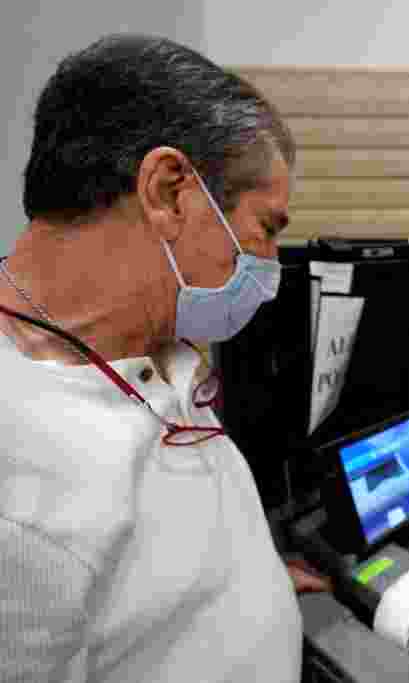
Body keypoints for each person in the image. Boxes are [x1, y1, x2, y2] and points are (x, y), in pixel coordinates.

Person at [0, 34, 330, 682]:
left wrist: (239, 586)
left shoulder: (149, 347)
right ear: (168, 191)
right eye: (265, 227)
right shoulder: (20, 478)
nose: (268, 265)